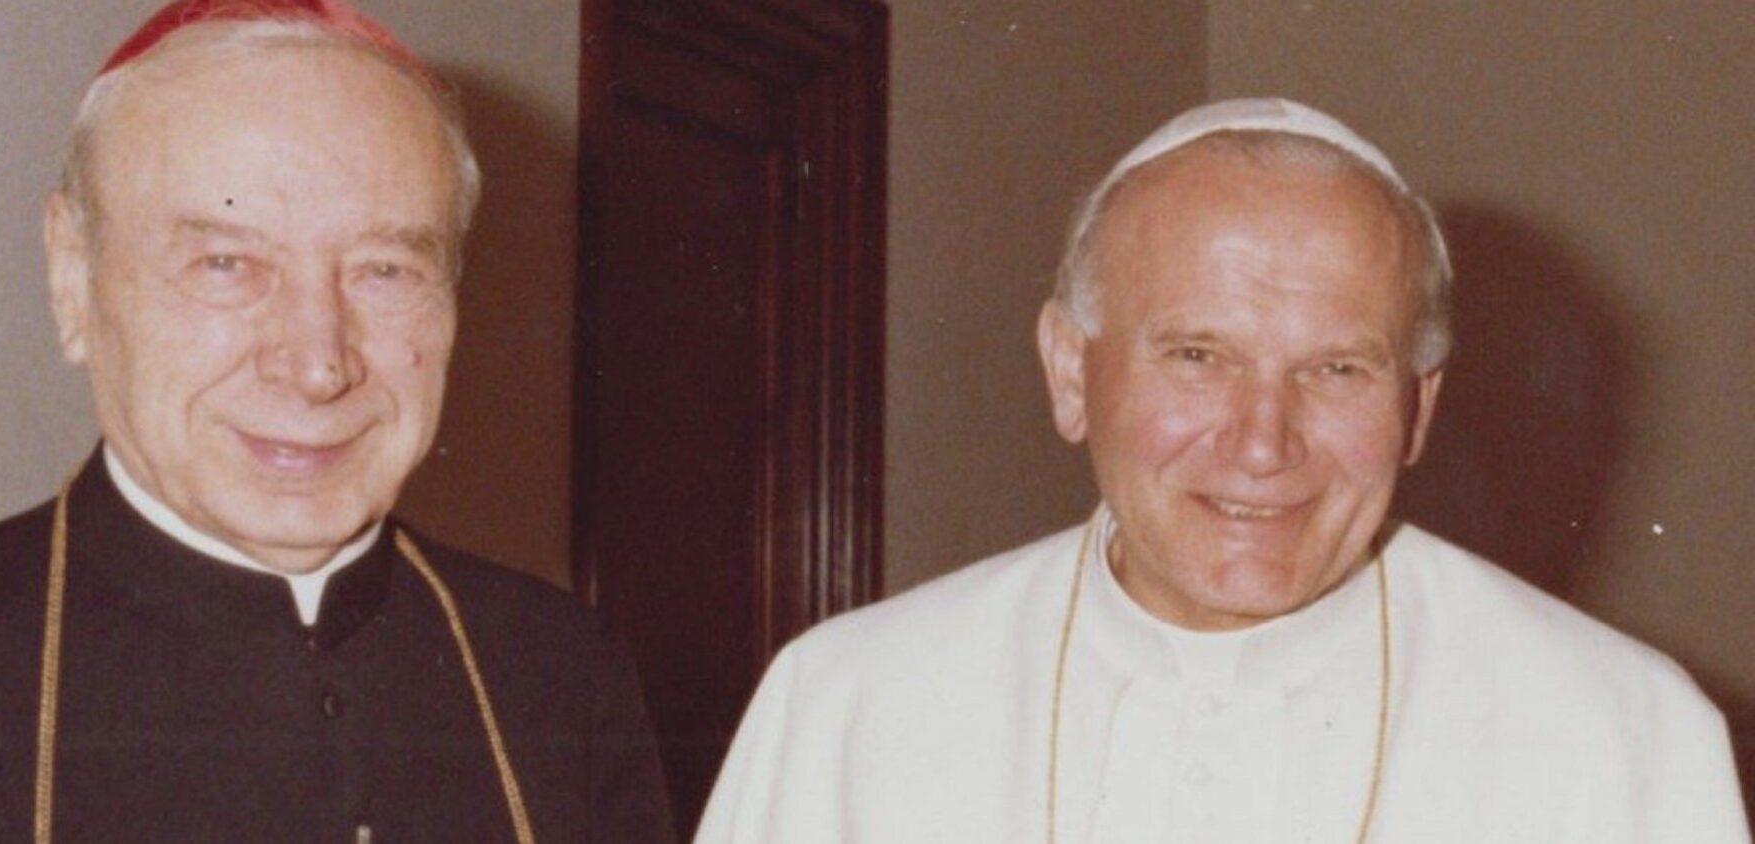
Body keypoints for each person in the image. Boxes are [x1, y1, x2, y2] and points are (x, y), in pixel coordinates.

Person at [695, 99, 1748, 842]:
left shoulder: (1619, 732)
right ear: (1070, 370)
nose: (1261, 442)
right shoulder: (845, 704)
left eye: (1337, 368)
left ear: (1418, 408)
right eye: (1198, 356)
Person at [0, 1, 672, 841]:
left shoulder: (564, 678)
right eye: (228, 264)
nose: (318, 366)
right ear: (71, 276)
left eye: (385, 270)